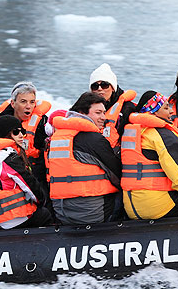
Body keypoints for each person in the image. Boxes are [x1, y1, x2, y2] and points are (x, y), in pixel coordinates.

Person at [121, 91, 178, 220]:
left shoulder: (132, 131)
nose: (171, 111)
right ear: (153, 112)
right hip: (158, 208)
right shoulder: (162, 135)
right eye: (166, 108)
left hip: (131, 207)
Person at [46, 91, 122, 225]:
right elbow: (118, 176)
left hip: (61, 212)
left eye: (104, 113)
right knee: (129, 188)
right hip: (90, 214)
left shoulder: (57, 137)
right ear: (82, 113)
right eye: (98, 113)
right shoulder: (94, 140)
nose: (103, 117)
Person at [0, 114, 53, 230]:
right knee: (45, 214)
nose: (21, 135)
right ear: (6, 134)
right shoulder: (7, 157)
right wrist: (42, 202)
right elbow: (30, 185)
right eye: (16, 132)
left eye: (23, 131)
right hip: (8, 220)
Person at [0, 81, 52, 187]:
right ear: (13, 104)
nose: (28, 106)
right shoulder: (0, 121)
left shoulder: (41, 122)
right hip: (5, 176)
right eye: (23, 102)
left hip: (34, 177)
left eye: (32, 102)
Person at [88, 63, 136, 149]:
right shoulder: (86, 107)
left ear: (113, 88)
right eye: (95, 86)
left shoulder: (127, 108)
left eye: (104, 85)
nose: (99, 89)